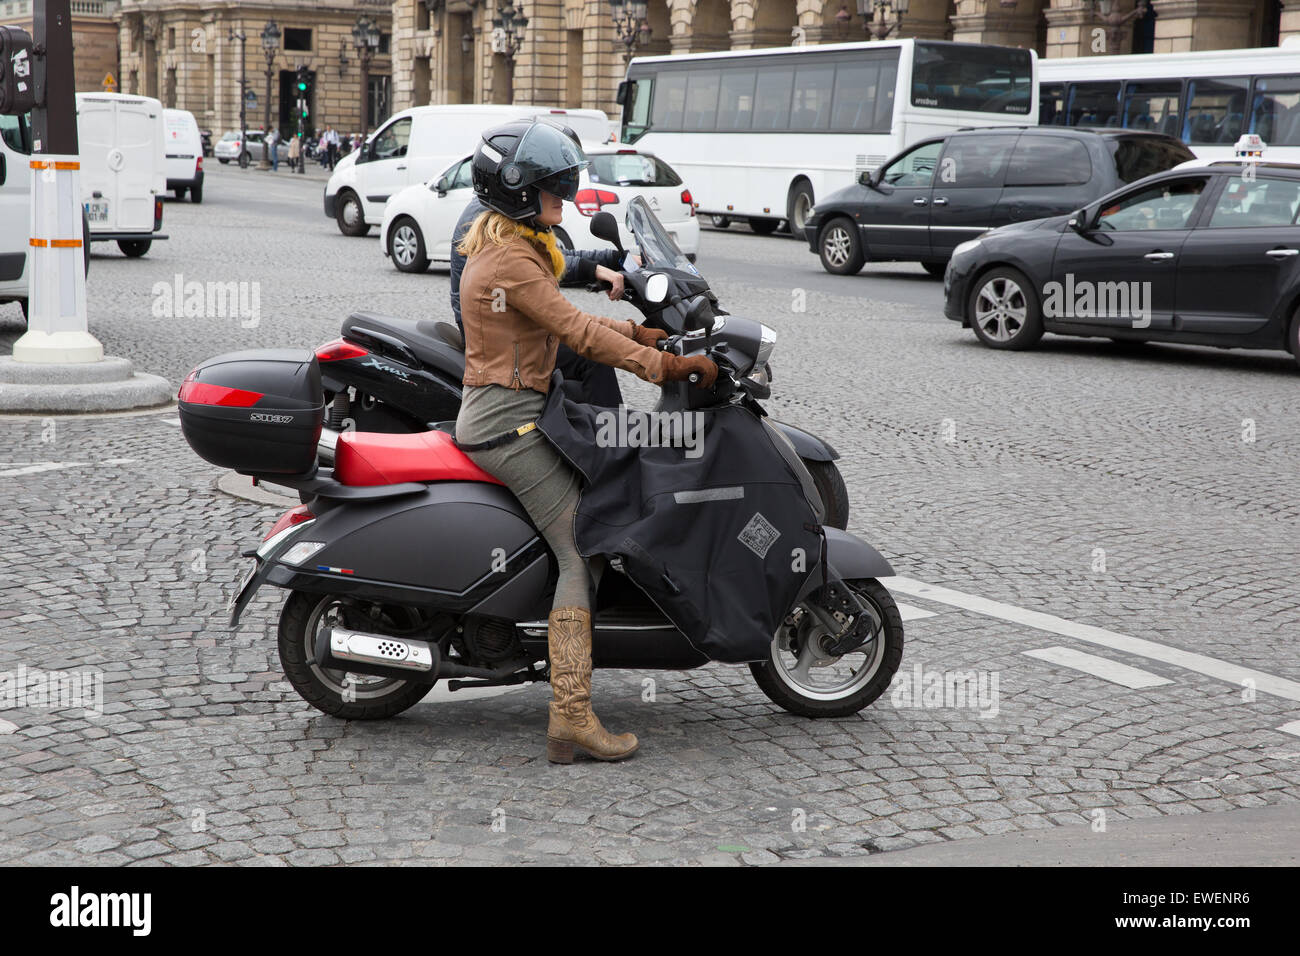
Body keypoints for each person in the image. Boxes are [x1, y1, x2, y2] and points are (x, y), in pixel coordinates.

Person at [455, 121, 716, 763]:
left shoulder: (512, 248)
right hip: (506, 424)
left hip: (527, 408)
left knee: (613, 467)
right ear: (520, 192)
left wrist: (644, 333)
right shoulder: (510, 259)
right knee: (581, 551)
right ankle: (570, 714)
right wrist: (663, 368)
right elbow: (575, 333)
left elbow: (568, 318)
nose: (565, 200)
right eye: (555, 189)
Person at [450, 190, 634, 408]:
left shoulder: (505, 208)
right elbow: (537, 266)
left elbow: (550, 255)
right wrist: (658, 365)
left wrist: (614, 259)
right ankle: (611, 436)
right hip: (501, 336)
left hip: (513, 322)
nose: (559, 195)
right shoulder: (490, 215)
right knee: (592, 355)